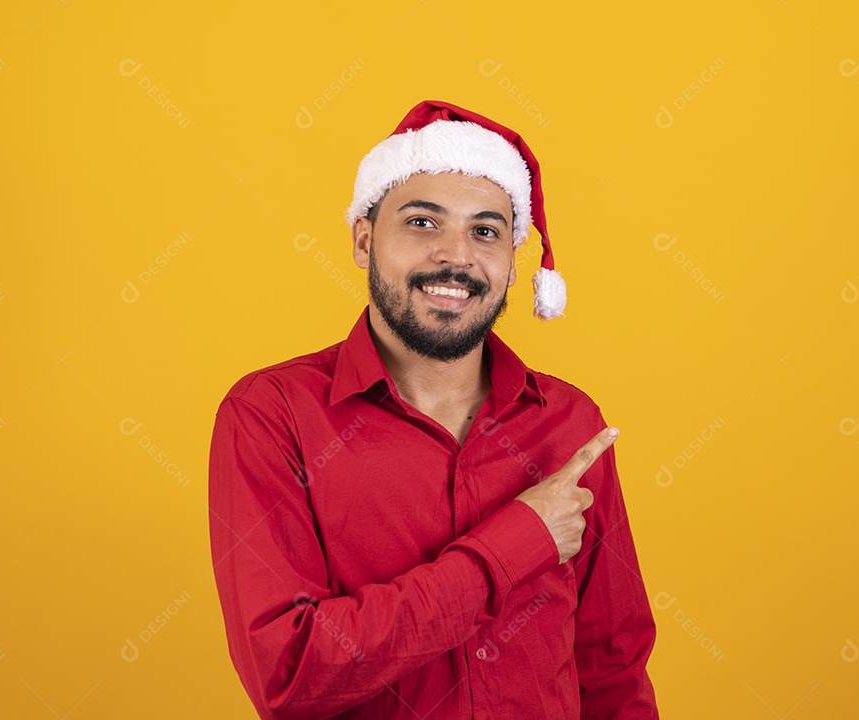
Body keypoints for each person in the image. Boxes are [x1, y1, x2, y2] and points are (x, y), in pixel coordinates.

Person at [208, 100, 659, 719]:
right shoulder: (272, 416)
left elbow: (612, 669)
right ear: (365, 241)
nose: (456, 257)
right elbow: (289, 673)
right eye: (423, 223)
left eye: (485, 231)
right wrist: (515, 546)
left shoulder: (569, 423)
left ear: (511, 258)